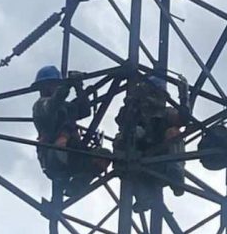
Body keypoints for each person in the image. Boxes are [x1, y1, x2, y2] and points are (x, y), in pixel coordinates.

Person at [32, 65, 110, 196]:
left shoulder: (65, 107)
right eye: (51, 85)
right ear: (43, 87)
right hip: (54, 155)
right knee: (64, 153)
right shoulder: (41, 106)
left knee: (103, 155)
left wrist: (78, 87)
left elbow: (84, 111)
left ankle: (74, 187)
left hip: (72, 153)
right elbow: (53, 104)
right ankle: (68, 184)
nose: (53, 87)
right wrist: (67, 85)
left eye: (55, 85)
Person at [114, 74, 186, 212]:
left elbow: (182, 119)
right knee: (123, 143)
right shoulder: (135, 111)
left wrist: (184, 98)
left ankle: (176, 173)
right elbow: (121, 123)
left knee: (174, 133)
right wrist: (131, 105)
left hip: (162, 161)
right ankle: (143, 197)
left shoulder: (166, 113)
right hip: (139, 160)